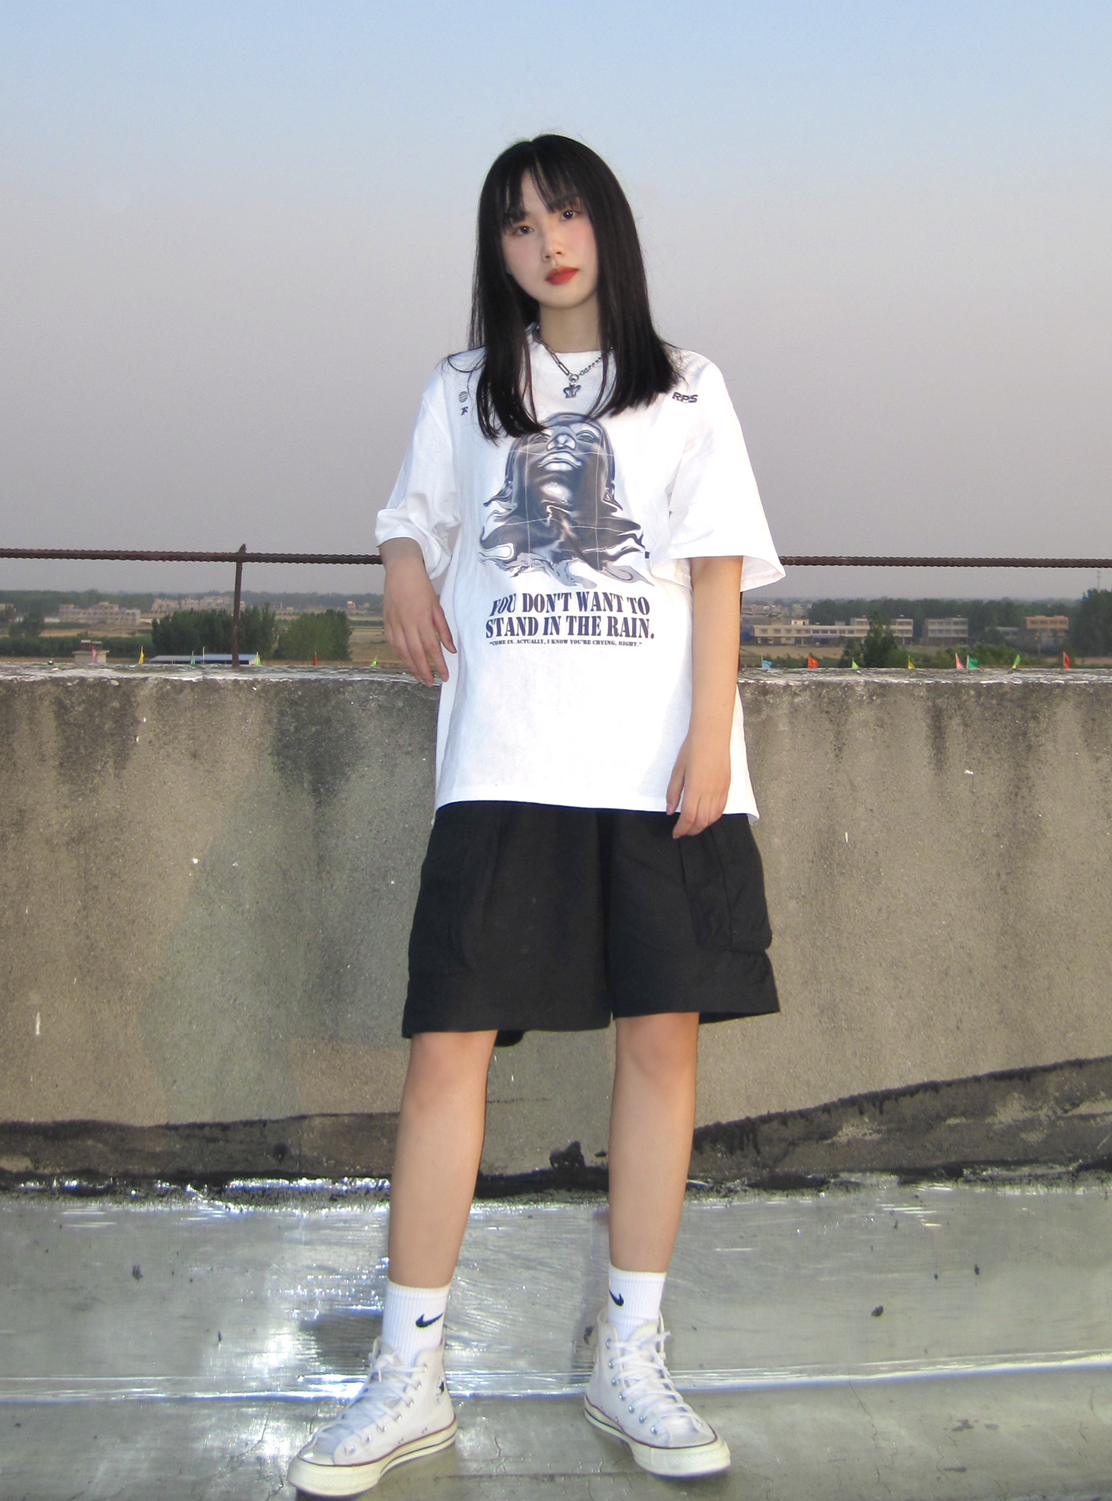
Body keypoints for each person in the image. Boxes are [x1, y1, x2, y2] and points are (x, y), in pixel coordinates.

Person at [288, 135, 782, 1496]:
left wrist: (709, 741)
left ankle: (630, 1353)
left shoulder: (687, 386)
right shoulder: (464, 388)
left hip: (654, 771)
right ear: (494, 250)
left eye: (564, 213)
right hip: (504, 767)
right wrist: (401, 562)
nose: (547, 243)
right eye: (516, 225)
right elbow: (412, 514)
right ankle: (410, 1373)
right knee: (447, 1048)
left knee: (661, 1047)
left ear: (605, 224)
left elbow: (717, 572)